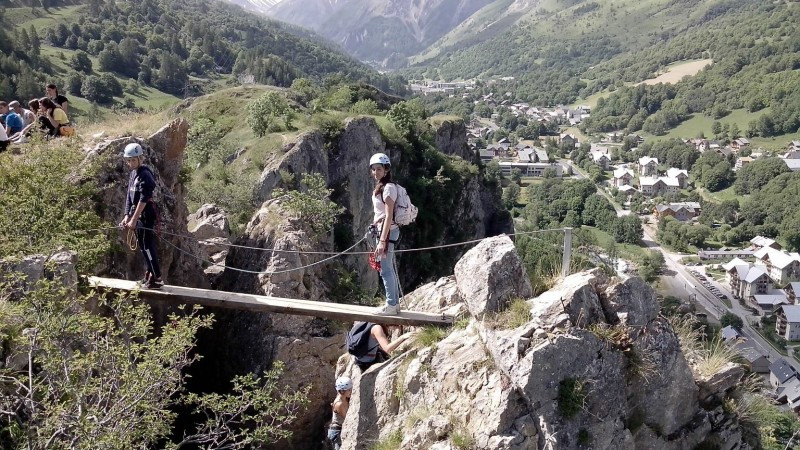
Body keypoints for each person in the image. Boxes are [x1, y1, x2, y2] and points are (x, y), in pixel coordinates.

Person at [119, 143, 163, 289]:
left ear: (140, 158)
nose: (130, 163)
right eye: (129, 160)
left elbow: (144, 199)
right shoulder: (133, 174)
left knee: (148, 246)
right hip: (138, 215)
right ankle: (150, 274)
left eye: (133, 160)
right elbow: (129, 197)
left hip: (146, 215)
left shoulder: (145, 175)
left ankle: (157, 277)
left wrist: (134, 218)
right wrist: (126, 215)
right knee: (143, 247)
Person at [369, 153, 402, 315]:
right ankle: (394, 305)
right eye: (374, 169)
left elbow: (389, 215)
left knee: (385, 269)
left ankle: (391, 305)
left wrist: (382, 241)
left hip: (387, 233)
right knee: (387, 268)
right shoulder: (382, 187)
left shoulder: (388, 188)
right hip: (385, 231)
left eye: (379, 169)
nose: (376, 172)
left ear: (387, 169)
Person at [327, 376, 352, 450]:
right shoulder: (339, 404)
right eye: (349, 390)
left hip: (338, 429)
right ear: (342, 391)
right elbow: (347, 419)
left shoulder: (344, 399)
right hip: (336, 431)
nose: (351, 391)